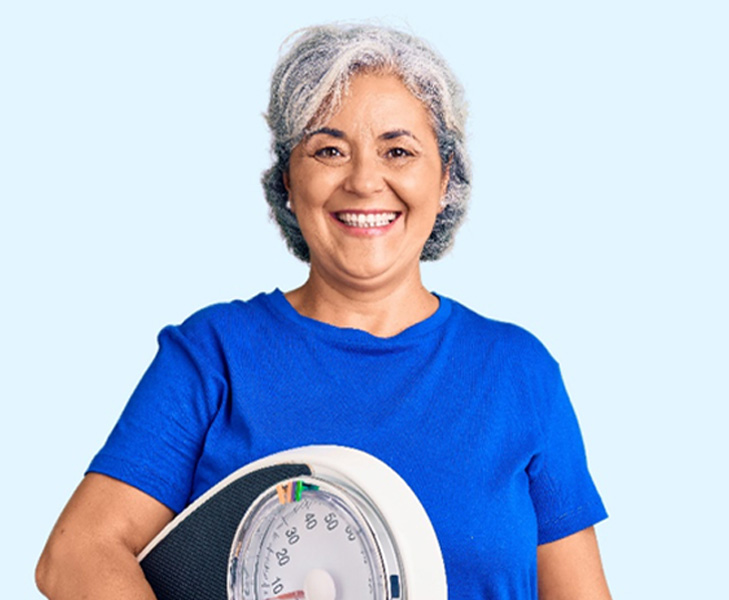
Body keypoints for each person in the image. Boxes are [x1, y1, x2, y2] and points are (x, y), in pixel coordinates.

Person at [36, 24, 611, 599]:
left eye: (399, 150)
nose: (364, 181)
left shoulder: (519, 373)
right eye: (329, 150)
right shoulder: (214, 356)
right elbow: (76, 554)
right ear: (288, 180)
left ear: (445, 180)